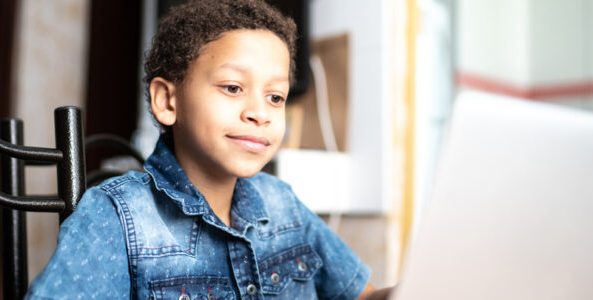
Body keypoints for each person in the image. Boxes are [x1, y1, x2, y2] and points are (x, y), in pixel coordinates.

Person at [25, 0, 377, 299]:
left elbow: (364, 294)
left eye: (275, 97)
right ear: (167, 100)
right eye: (232, 87)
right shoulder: (116, 215)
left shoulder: (283, 203)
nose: (259, 113)